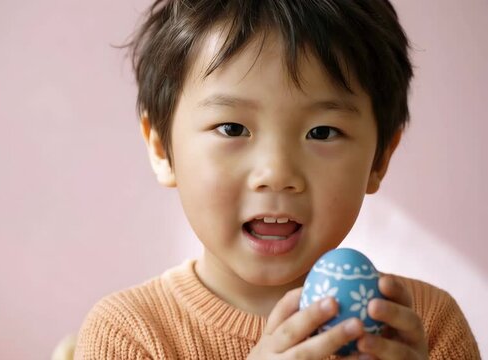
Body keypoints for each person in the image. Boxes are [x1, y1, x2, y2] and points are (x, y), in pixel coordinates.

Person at [74, 0, 480, 358]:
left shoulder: (423, 326)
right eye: (232, 128)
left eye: (321, 132)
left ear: (379, 158)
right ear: (163, 148)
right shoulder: (129, 335)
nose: (277, 174)